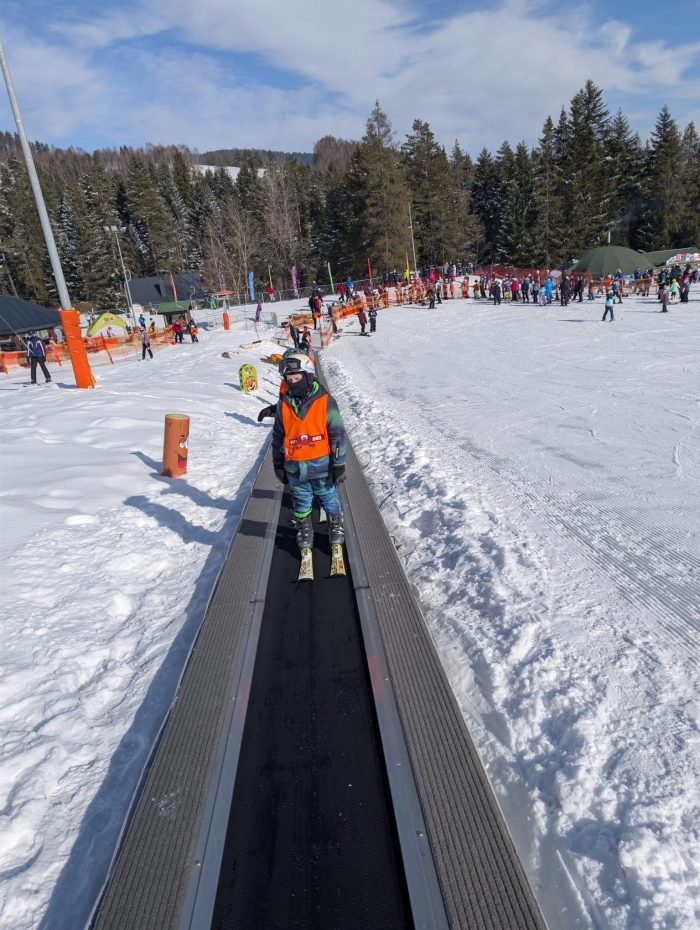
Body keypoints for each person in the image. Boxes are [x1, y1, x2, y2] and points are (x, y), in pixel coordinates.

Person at [272, 354, 346, 553]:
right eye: (289, 380)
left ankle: (335, 523)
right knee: (301, 500)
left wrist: (339, 463)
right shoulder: (283, 405)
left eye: (297, 378)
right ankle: (304, 528)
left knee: (328, 496)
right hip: (295, 467)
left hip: (321, 465)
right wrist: (277, 464)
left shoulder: (325, 402)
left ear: (308, 376)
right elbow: (278, 436)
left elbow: (337, 434)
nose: (293, 383)